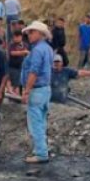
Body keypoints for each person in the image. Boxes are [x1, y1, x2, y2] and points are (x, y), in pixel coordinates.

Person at [21, 21, 54, 164]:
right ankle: (41, 149)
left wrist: (26, 91)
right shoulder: (47, 49)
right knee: (41, 121)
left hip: (37, 90)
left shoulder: (37, 50)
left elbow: (34, 71)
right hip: (45, 89)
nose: (29, 35)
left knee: (35, 123)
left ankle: (41, 153)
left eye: (32, 32)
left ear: (40, 34)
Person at [8, 29, 29, 94]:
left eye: (18, 37)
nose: (16, 39)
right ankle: (14, 96)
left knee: (20, 84)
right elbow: (12, 53)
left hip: (22, 67)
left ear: (21, 37)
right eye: (15, 37)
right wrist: (23, 52)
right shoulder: (12, 44)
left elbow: (28, 53)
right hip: (13, 67)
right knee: (15, 85)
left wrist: (23, 52)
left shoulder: (25, 44)